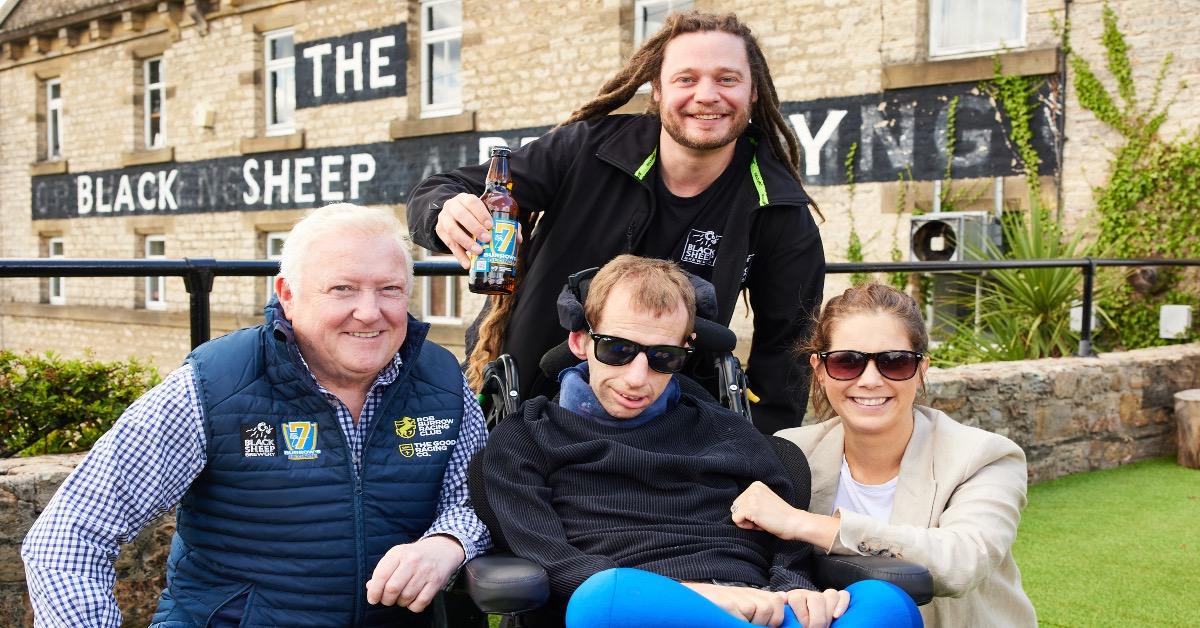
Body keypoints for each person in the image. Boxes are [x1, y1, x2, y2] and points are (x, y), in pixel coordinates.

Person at [21, 203, 490, 627]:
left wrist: (447, 543)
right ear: (287, 293)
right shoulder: (216, 384)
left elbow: (479, 498)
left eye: (389, 290)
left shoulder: (440, 379)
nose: (369, 312)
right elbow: (69, 538)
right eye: (342, 289)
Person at [407, 10, 825, 435]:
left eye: (727, 79)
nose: (707, 95)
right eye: (686, 79)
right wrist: (445, 211)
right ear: (657, 90)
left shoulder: (778, 209)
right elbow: (444, 187)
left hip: (666, 437)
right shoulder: (585, 148)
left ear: (753, 92)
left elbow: (786, 360)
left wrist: (766, 460)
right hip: (522, 409)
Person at [480, 256, 916, 628]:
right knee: (602, 600)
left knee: (886, 602)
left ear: (687, 350)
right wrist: (705, 597)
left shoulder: (728, 432)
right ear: (580, 340)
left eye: (662, 357)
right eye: (616, 350)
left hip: (759, 603)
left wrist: (796, 591)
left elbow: (787, 541)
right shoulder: (525, 439)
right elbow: (554, 563)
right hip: (639, 605)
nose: (637, 378)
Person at [730, 283, 1038, 627]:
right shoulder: (791, 452)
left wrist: (803, 523)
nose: (870, 380)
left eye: (895, 362)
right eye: (847, 362)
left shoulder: (983, 457)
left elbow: (962, 562)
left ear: (921, 371)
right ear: (819, 369)